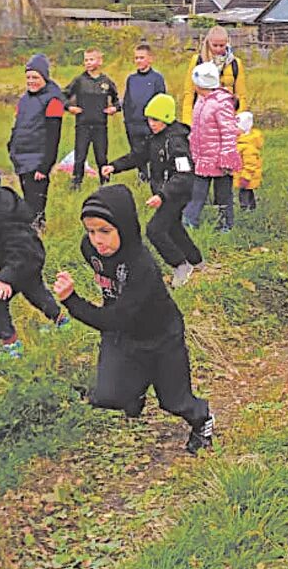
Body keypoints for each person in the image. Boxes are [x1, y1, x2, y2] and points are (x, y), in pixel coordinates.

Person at [52, 185, 214, 453]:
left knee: (174, 401)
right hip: (123, 335)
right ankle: (134, 389)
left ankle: (203, 420)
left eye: (105, 231)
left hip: (161, 335)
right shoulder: (89, 249)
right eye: (91, 231)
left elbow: (114, 319)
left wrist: (71, 300)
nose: (97, 240)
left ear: (124, 227)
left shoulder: (142, 267)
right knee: (107, 396)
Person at [0, 163, 68, 356]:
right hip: (23, 263)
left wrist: (6, 278)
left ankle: (11, 346)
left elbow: (22, 251)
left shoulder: (5, 218)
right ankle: (61, 321)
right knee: (36, 293)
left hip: (23, 262)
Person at [102, 92, 201, 287]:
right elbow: (138, 156)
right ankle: (196, 260)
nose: (151, 123)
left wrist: (163, 195)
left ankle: (180, 265)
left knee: (155, 230)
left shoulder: (176, 141)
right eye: (148, 119)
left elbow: (184, 175)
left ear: (166, 118)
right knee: (173, 228)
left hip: (176, 194)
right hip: (163, 193)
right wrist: (114, 166)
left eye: (156, 119)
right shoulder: (154, 138)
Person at [7, 54, 65, 228]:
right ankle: (31, 231)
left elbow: (53, 137)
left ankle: (38, 233)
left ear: (45, 78)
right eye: (28, 77)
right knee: (27, 200)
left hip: (38, 160)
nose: (31, 81)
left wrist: (45, 166)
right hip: (21, 157)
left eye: (35, 77)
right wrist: (11, 146)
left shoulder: (53, 101)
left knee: (36, 204)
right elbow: (18, 125)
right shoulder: (24, 99)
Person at [184, 62, 242, 231]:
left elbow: (228, 132)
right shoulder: (201, 101)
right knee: (197, 191)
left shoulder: (221, 103)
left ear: (202, 84)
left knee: (223, 194)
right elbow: (197, 128)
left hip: (219, 159)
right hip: (203, 158)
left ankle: (225, 224)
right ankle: (190, 219)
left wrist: (227, 156)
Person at [63, 48, 120, 189]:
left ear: (100, 61)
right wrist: (70, 107)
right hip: (82, 125)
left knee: (101, 156)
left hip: (100, 126)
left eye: (91, 59)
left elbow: (117, 100)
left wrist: (115, 108)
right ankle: (76, 183)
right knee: (80, 156)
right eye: (86, 60)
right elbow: (63, 96)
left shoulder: (106, 82)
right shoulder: (79, 80)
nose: (88, 63)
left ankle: (105, 183)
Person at [180, 26, 246, 125]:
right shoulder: (198, 61)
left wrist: (238, 119)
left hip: (227, 117)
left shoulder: (236, 63)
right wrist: (187, 123)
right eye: (214, 45)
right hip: (202, 116)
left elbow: (241, 95)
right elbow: (189, 93)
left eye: (222, 45)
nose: (218, 49)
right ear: (208, 42)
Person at [120, 43, 166, 184]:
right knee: (137, 152)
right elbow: (127, 100)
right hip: (133, 123)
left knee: (153, 152)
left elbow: (161, 101)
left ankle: (156, 178)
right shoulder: (131, 79)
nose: (138, 61)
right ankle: (142, 176)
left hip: (150, 124)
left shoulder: (157, 78)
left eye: (141, 57)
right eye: (136, 58)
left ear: (150, 59)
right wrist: (127, 120)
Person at [234, 111, 264, 212]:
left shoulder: (248, 146)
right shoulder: (241, 141)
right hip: (242, 175)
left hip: (245, 176)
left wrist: (245, 176)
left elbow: (250, 164)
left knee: (244, 193)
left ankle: (246, 210)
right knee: (248, 192)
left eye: (236, 127)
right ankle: (252, 208)